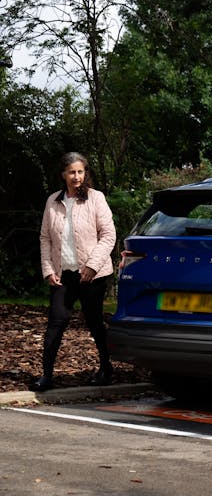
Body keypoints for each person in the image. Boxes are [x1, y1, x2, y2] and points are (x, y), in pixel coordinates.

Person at [31, 152, 117, 392]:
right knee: (56, 323)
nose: (77, 176)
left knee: (94, 322)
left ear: (85, 173)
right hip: (63, 275)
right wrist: (48, 270)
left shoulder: (96, 198)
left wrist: (91, 266)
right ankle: (46, 375)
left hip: (93, 275)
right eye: (72, 172)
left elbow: (109, 235)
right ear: (63, 175)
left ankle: (106, 367)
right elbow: (45, 238)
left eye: (80, 172)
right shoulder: (53, 201)